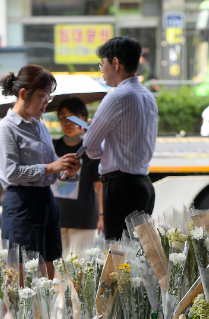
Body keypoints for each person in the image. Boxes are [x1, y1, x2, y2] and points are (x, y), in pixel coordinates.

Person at [0, 65, 80, 319]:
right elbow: (11, 173)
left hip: (45, 201)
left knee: (46, 272)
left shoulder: (39, 125)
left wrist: (66, 170)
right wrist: (50, 168)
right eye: (44, 96)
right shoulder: (6, 129)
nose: (48, 102)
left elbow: (50, 171)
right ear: (24, 93)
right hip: (20, 204)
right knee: (15, 277)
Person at [82, 37, 158, 240]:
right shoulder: (147, 96)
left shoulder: (116, 97)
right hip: (143, 184)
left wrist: (96, 144)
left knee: (119, 255)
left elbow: (89, 145)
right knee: (138, 253)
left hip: (120, 187)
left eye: (102, 63)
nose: (101, 70)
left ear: (116, 63)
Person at [50, 98, 103, 251]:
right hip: (56, 219)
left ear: (84, 118)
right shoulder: (53, 146)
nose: (67, 123)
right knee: (58, 272)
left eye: (72, 117)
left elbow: (99, 185)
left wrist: (101, 216)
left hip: (84, 220)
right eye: (63, 118)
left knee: (79, 271)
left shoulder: (91, 149)